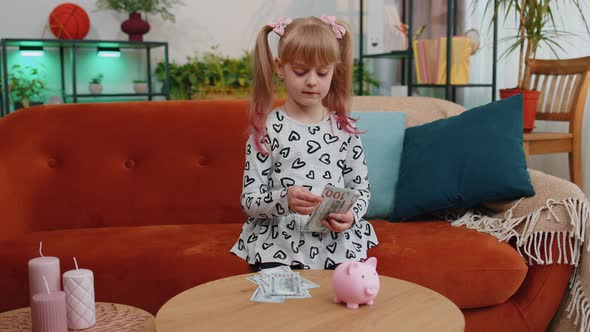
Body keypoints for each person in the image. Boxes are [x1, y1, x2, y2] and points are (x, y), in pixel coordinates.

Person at [230, 15, 378, 270]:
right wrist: (284, 199)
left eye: (322, 72)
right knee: (282, 308)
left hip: (337, 243)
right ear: (280, 68)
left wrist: (351, 215)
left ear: (334, 71)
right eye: (301, 71)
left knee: (344, 304)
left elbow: (361, 190)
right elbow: (250, 200)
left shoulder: (344, 129)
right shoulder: (266, 129)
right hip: (279, 244)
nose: (312, 81)